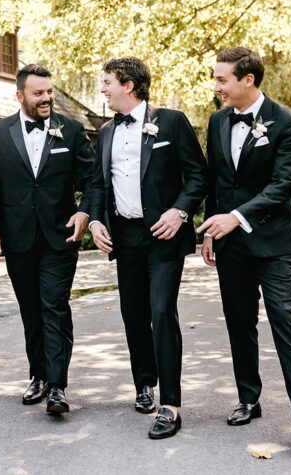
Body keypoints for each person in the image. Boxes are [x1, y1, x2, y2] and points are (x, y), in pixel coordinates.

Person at [198, 47, 291, 447]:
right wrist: (209, 230)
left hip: (274, 244)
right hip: (229, 245)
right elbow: (215, 181)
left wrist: (236, 217)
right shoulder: (217, 121)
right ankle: (248, 399)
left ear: (247, 80)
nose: (216, 86)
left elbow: (282, 185)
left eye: (223, 79)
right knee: (239, 322)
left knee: (285, 321)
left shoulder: (288, 123)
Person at [85, 58, 206, 439]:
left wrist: (180, 211)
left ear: (130, 85)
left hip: (163, 235)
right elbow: (100, 185)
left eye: (107, 83)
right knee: (133, 313)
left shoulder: (170, 121)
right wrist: (96, 221)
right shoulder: (105, 132)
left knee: (161, 311)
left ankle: (170, 405)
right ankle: (144, 385)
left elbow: (199, 175)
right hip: (125, 237)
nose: (102, 89)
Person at [0, 64, 95, 414]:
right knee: (31, 309)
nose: (46, 98)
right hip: (18, 239)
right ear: (20, 96)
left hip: (60, 237)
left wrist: (85, 211)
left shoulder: (70, 130)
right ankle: (38, 376)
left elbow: (92, 179)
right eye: (38, 93)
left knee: (54, 305)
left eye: (49, 91)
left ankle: (57, 386)